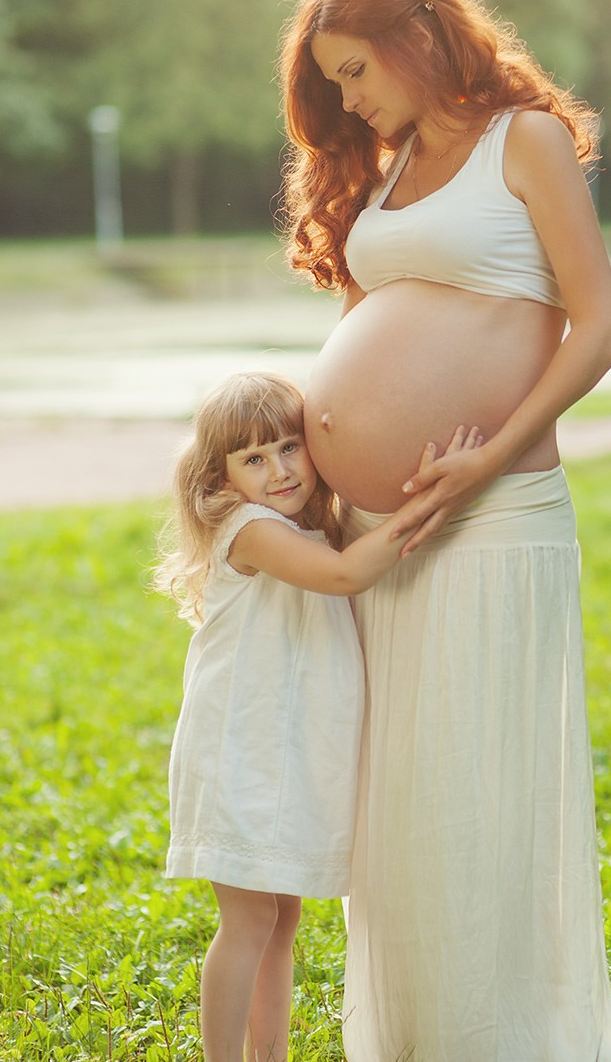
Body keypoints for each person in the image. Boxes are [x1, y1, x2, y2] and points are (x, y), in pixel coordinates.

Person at [278, 0, 611, 1061]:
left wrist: (483, 462)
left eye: (355, 70)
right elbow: (366, 327)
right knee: (399, 812)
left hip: (492, 518)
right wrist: (310, 472)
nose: (347, 99)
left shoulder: (521, 141)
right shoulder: (384, 172)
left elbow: (601, 327)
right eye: (332, 82)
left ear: (421, 35)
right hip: (378, 539)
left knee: (478, 797)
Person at [154, 370, 479, 1062]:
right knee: (249, 919)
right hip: (241, 755)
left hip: (281, 755)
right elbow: (345, 575)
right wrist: (434, 500)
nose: (279, 470)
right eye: (253, 458)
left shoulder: (302, 525)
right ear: (220, 477)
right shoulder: (248, 528)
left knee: (281, 919)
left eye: (289, 446)